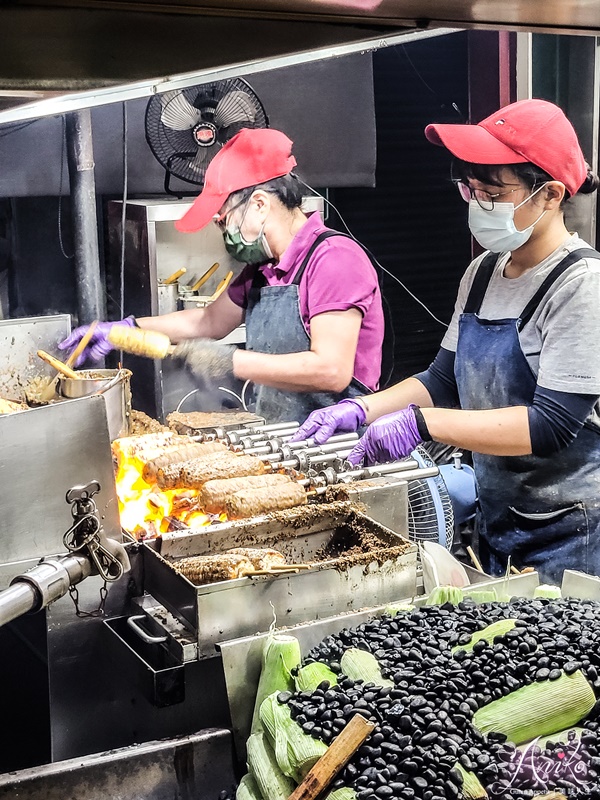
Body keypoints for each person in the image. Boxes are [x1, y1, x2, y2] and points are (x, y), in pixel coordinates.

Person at [291, 99, 600, 584]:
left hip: (570, 536)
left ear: (550, 195)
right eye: (470, 189)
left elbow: (551, 425)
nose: (477, 204)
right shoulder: (481, 273)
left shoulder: (580, 285)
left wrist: (423, 425)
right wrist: (362, 410)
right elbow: (443, 380)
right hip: (499, 521)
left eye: (493, 192)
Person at [59, 128, 384, 422]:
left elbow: (331, 370)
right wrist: (126, 329)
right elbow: (209, 322)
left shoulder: (334, 260)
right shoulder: (262, 269)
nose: (222, 231)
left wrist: (229, 361)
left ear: (259, 205)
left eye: (222, 219)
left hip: (342, 447)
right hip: (284, 440)